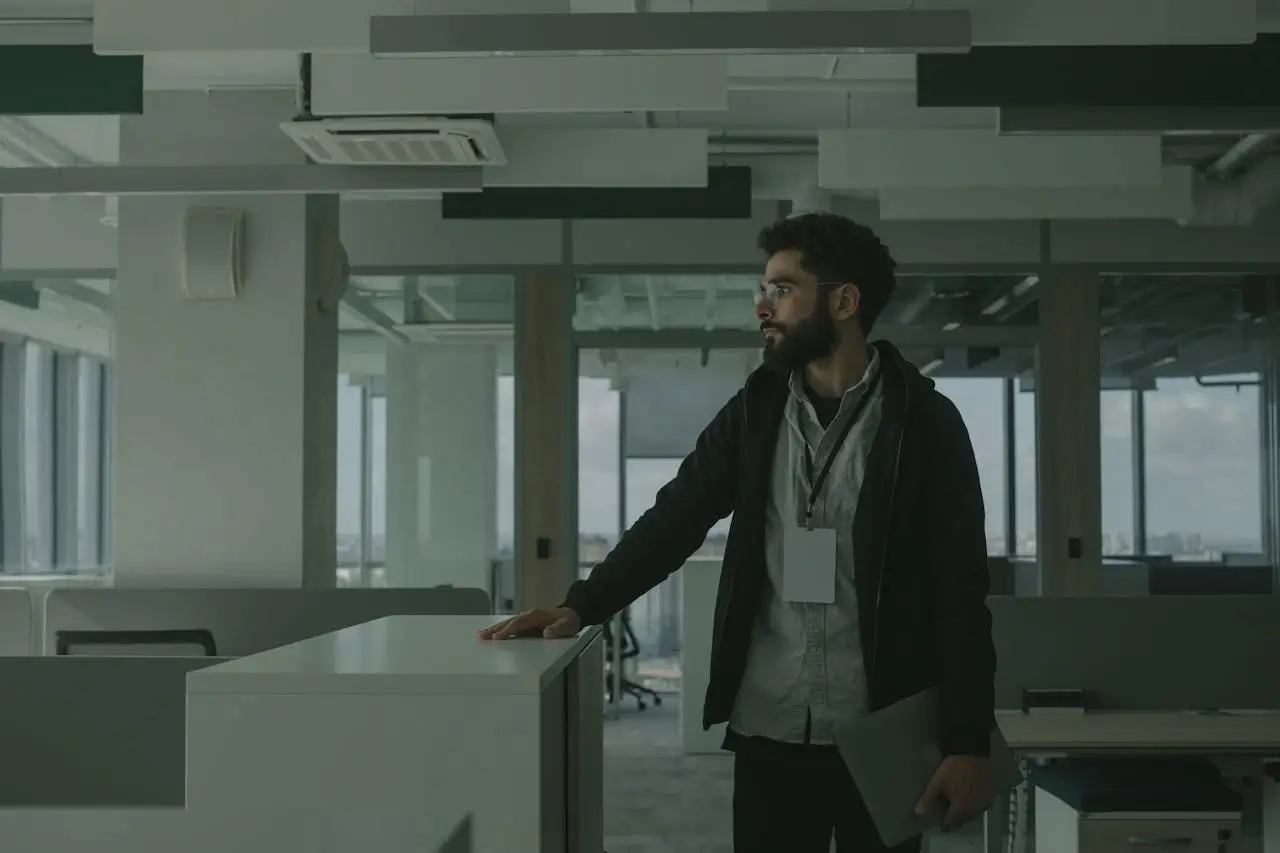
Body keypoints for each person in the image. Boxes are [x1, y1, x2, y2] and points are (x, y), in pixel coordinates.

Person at [480, 212, 997, 853]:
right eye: (764, 289)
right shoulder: (755, 412)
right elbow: (676, 518)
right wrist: (581, 605)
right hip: (770, 723)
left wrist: (969, 741)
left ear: (844, 301)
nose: (762, 306)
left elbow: (960, 590)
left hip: (882, 728)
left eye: (782, 289)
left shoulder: (925, 422)